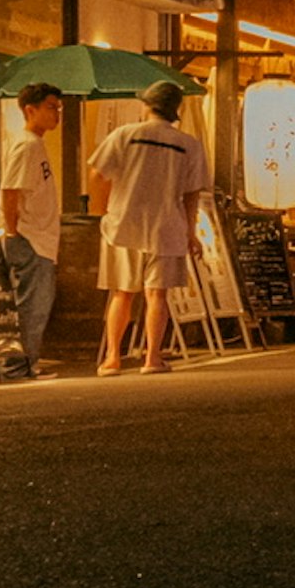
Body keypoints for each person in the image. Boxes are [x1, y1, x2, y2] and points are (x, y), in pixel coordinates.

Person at [86, 75, 210, 375]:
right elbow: (192, 193)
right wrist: (190, 231)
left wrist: (103, 209)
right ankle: (152, 357)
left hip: (123, 224)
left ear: (147, 106)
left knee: (121, 293)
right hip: (166, 226)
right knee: (158, 295)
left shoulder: (124, 135)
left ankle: (113, 358)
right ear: (173, 111)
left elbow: (97, 175)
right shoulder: (188, 144)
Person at [0, 83, 68, 377]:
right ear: (30, 110)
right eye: (51, 107)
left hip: (39, 237)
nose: (57, 114)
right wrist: (13, 231)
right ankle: (19, 365)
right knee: (32, 304)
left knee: (37, 303)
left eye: (58, 108)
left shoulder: (35, 143)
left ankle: (27, 362)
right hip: (30, 237)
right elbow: (10, 190)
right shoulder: (26, 145)